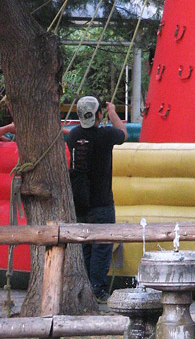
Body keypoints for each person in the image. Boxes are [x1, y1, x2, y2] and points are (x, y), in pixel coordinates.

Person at [66, 96, 127, 303]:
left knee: (86, 246)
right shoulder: (106, 135)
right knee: (102, 246)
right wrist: (113, 113)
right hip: (102, 203)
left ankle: (86, 288)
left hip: (80, 202)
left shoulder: (73, 136)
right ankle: (98, 289)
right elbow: (124, 133)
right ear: (99, 114)